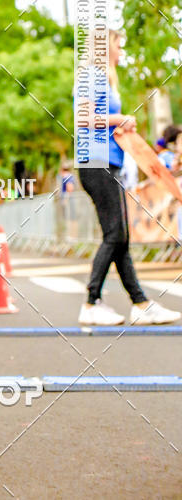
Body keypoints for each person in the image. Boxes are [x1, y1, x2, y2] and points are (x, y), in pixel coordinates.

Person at [76, 30, 180, 326]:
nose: (121, 52)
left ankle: (140, 303)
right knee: (116, 235)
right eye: (119, 46)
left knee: (120, 236)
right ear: (104, 47)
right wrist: (120, 119)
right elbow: (82, 117)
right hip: (95, 163)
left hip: (109, 163)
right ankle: (91, 302)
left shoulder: (106, 80)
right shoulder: (91, 76)